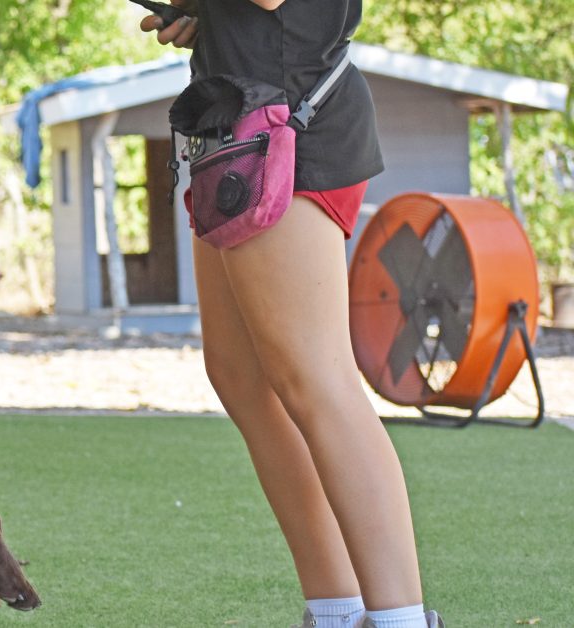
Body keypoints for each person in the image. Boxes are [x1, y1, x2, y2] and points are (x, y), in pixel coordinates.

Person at [140, 2, 444, 627]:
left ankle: (400, 622)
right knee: (243, 378)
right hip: (239, 121)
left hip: (290, 120)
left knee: (318, 383)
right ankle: (335, 612)